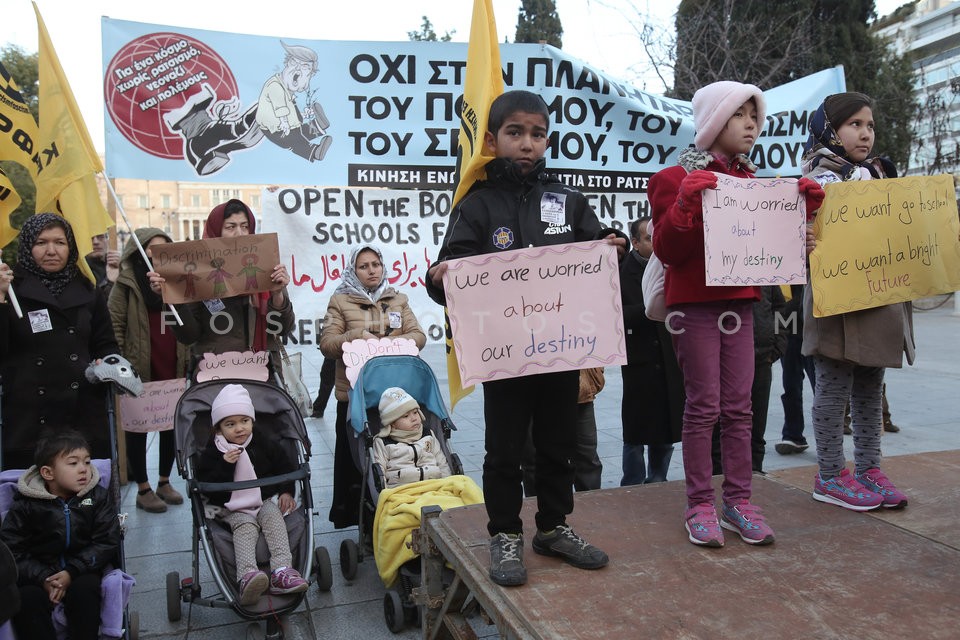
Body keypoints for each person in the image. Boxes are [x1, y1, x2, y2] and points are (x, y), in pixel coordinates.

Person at [425, 90, 624, 586]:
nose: (527, 144)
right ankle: (504, 533)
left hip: (559, 354)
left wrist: (612, 248)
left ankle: (554, 527)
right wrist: (438, 277)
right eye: (515, 133)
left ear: (548, 140)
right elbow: (453, 274)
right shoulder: (475, 206)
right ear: (492, 141)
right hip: (505, 358)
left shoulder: (570, 202)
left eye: (537, 134)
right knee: (505, 451)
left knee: (559, 447)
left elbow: (592, 257)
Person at [648, 81, 825, 547]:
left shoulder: (755, 184)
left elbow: (775, 257)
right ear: (712, 122)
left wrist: (801, 223)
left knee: (740, 407)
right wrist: (686, 202)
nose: (751, 124)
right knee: (703, 406)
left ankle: (739, 500)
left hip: (742, 304)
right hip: (694, 308)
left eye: (754, 115)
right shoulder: (671, 179)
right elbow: (667, 249)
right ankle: (700, 504)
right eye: (739, 115)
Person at [801, 92, 913, 511]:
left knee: (870, 387)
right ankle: (830, 475)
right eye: (855, 125)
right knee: (832, 388)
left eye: (870, 126)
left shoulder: (879, 175)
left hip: (878, 296)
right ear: (830, 129)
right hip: (837, 300)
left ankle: (869, 468)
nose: (865, 134)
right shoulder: (814, 178)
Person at [0, 213, 120, 470]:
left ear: (71, 247)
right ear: (28, 246)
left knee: (85, 500)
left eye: (60, 242)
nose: (51, 251)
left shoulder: (88, 289)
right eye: (41, 243)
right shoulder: (10, 289)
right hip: (28, 419)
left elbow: (106, 343)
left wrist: (107, 364)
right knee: (32, 499)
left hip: (82, 414)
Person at [319, 244, 426, 529]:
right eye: (363, 266)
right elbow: (327, 344)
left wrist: (396, 344)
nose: (371, 270)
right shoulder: (339, 302)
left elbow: (418, 335)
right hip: (357, 397)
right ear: (353, 271)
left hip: (397, 395)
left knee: (397, 454)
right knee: (358, 461)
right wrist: (356, 336)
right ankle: (363, 518)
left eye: (376, 264)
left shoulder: (398, 299)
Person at [149, 199, 295, 378]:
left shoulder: (267, 268)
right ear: (216, 231)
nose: (239, 233)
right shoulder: (198, 270)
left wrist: (278, 294)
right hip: (216, 376)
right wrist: (172, 298)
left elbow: (284, 328)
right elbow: (188, 336)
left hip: (264, 377)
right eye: (230, 227)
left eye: (244, 226)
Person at [0, 431, 121, 640]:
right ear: (48, 473)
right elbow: (12, 551)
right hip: (38, 573)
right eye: (73, 463)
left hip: (81, 568)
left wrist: (71, 572)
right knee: (26, 599)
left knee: (87, 590)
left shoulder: (94, 498)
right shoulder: (27, 505)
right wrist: (43, 578)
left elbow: (106, 541)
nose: (83, 469)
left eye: (87, 461)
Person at [195, 384, 308, 605]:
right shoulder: (213, 452)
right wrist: (225, 465)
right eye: (230, 424)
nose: (239, 429)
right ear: (218, 429)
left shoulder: (262, 442)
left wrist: (286, 491)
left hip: (263, 499)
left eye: (244, 421)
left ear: (252, 421)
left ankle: (282, 571)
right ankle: (247, 576)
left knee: (274, 517)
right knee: (246, 525)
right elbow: (206, 486)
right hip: (230, 505)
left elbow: (284, 466)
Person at [108, 227, 190, 513]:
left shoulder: (177, 283)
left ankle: (164, 481)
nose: (158, 258)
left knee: (170, 425)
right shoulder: (126, 286)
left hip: (173, 365)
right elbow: (115, 326)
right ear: (140, 254)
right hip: (139, 368)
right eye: (151, 252)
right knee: (138, 427)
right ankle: (143, 487)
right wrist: (122, 367)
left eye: (164, 251)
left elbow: (188, 321)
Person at [619, 217, 683, 485]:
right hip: (639, 361)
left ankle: (658, 480)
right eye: (648, 238)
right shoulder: (621, 271)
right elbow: (614, 314)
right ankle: (631, 484)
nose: (654, 243)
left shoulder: (672, 265)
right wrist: (650, 310)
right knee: (635, 433)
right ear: (635, 242)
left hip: (670, 360)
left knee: (666, 429)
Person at [711, 286, 787, 475]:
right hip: (723, 361)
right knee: (718, 426)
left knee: (756, 426)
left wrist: (777, 345)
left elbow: (780, 308)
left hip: (761, 358)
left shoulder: (764, 273)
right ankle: (719, 475)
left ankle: (755, 473)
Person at [372, 387, 451, 488]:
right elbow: (380, 472)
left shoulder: (428, 435)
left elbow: (442, 463)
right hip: (402, 490)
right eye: (405, 416)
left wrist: (448, 485)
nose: (414, 418)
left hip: (434, 486)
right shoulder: (383, 442)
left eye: (415, 412)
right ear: (392, 423)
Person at [775, 283, 817, 454]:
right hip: (790, 330)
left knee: (822, 391)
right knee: (790, 387)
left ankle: (828, 444)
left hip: (814, 330)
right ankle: (793, 435)